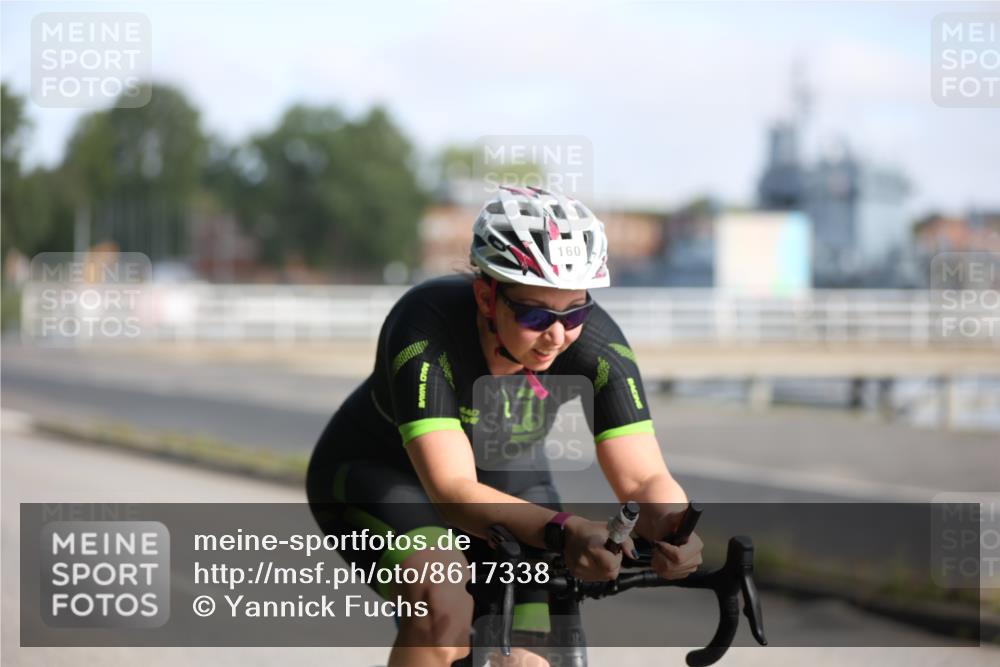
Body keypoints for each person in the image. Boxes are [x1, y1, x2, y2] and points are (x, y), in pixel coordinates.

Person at [306, 186, 703, 667]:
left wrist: (676, 530)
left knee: (537, 649)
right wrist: (566, 531)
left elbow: (643, 479)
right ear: (486, 296)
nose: (557, 335)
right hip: (383, 474)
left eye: (575, 310)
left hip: (507, 475)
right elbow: (452, 491)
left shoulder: (595, 344)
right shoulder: (425, 325)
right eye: (536, 314)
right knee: (442, 604)